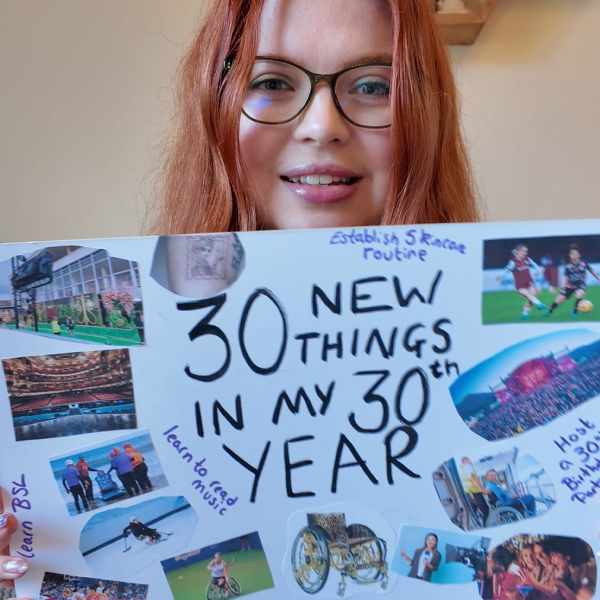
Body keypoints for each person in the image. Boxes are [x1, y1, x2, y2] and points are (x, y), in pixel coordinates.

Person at [1, 0, 481, 592]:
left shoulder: (485, 355)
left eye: (374, 86)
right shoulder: (117, 345)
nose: (322, 125)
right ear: (217, 109)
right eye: (273, 82)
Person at [544, 245, 600, 318]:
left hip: (580, 285)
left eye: (575, 254)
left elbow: (592, 271)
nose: (573, 256)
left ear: (579, 254)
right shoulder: (568, 266)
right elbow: (565, 277)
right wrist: (563, 286)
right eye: (572, 254)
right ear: (569, 255)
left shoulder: (583, 264)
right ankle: (549, 311)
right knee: (559, 300)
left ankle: (574, 312)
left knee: (579, 294)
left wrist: (598, 279)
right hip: (570, 286)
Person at [496, 244, 546, 320]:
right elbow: (507, 271)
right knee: (529, 295)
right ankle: (539, 304)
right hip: (520, 285)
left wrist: (538, 271)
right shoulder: (513, 262)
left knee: (531, 298)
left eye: (526, 251)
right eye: (524, 251)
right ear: (518, 252)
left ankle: (524, 315)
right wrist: (500, 276)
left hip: (529, 282)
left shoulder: (527, 259)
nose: (525, 253)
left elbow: (534, 265)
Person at [459, 457, 489, 526]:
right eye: (470, 460)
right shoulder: (468, 467)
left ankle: (477, 526)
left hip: (468, 494)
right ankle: (486, 526)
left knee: (473, 512)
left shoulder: (462, 470)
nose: (471, 462)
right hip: (474, 493)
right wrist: (483, 490)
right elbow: (473, 478)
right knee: (485, 510)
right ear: (466, 461)